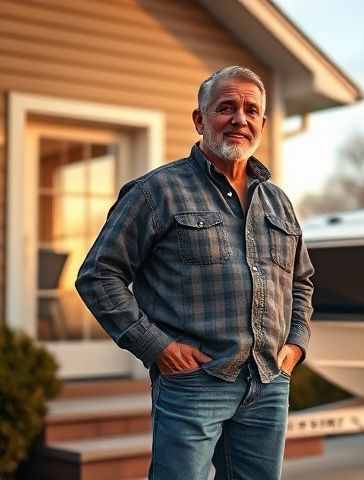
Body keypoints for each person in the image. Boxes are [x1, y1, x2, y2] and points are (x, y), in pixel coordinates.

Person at [75, 65, 314, 480]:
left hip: (269, 381)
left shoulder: (278, 202)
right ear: (199, 119)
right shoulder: (156, 191)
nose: (240, 119)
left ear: (261, 122)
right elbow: (98, 274)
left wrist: (295, 344)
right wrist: (157, 347)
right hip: (194, 383)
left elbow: (301, 281)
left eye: (251, 110)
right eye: (226, 107)